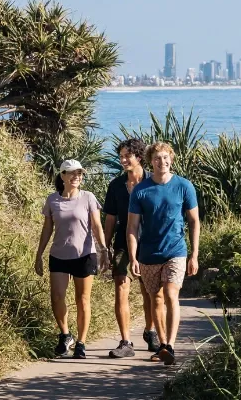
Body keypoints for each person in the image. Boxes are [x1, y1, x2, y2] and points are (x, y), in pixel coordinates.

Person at [126, 142, 200, 366]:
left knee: (170, 293)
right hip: (148, 253)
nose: (162, 162)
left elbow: (194, 221)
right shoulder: (141, 190)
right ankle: (162, 344)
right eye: (157, 158)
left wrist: (194, 254)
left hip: (175, 250)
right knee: (155, 299)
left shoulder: (184, 186)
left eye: (166, 157)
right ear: (151, 161)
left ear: (171, 159)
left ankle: (170, 346)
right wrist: (133, 257)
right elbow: (131, 227)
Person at [34, 159, 108, 359]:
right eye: (72, 173)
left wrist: (103, 250)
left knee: (82, 299)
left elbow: (97, 226)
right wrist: (39, 254)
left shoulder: (88, 197)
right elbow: (47, 229)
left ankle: (81, 343)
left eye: (80, 174)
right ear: (63, 176)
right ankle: (65, 335)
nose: (77, 177)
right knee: (56, 297)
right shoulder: (52, 200)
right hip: (59, 254)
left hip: (84, 255)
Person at [102, 138, 157, 358]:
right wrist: (104, 248)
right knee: (121, 287)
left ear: (139, 157)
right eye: (121, 156)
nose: (123, 160)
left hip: (149, 243)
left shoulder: (153, 182)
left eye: (127, 156)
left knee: (150, 291)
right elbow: (110, 219)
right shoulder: (116, 185)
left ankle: (150, 331)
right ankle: (125, 342)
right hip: (123, 243)